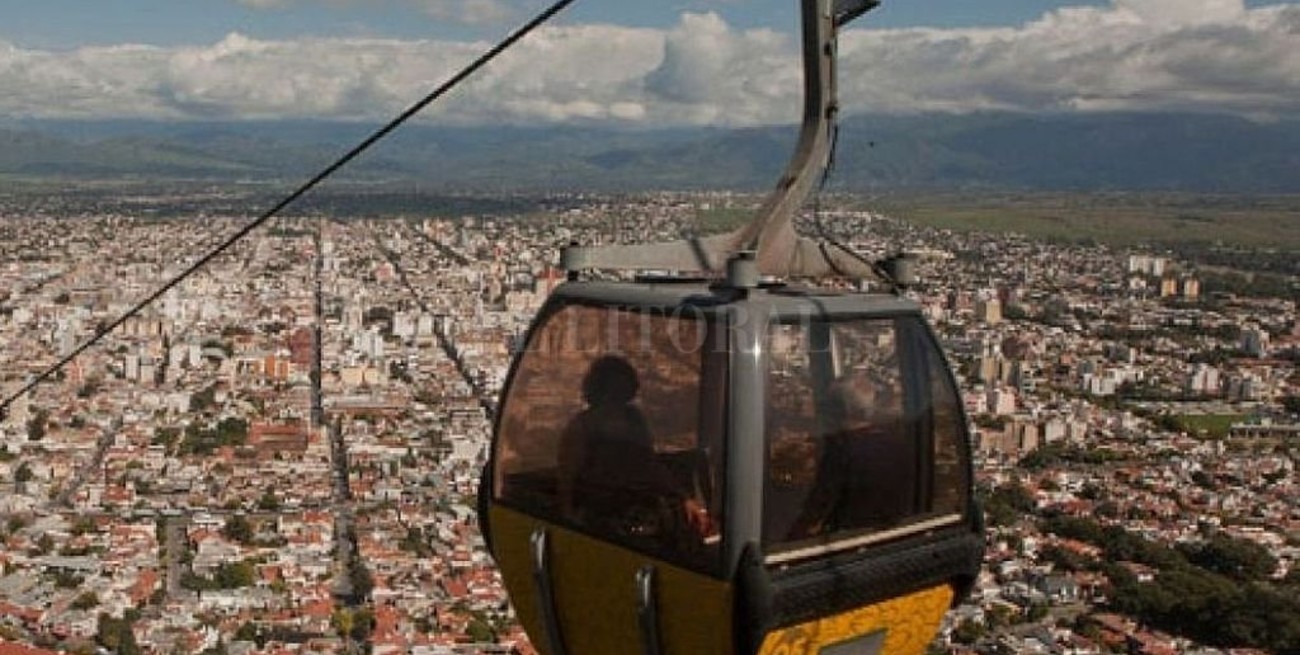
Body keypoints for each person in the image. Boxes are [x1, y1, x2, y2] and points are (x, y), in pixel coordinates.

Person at [557, 355, 712, 543]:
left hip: (639, 511)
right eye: (612, 387)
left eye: (622, 386)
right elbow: (568, 479)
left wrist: (683, 498)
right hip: (598, 519)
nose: (617, 393)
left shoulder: (634, 419)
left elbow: (650, 465)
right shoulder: (582, 427)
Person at [786, 371, 915, 540]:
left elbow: (817, 509)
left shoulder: (841, 452)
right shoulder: (897, 445)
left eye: (829, 407)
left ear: (839, 411)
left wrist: (787, 542)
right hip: (890, 536)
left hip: (849, 541)